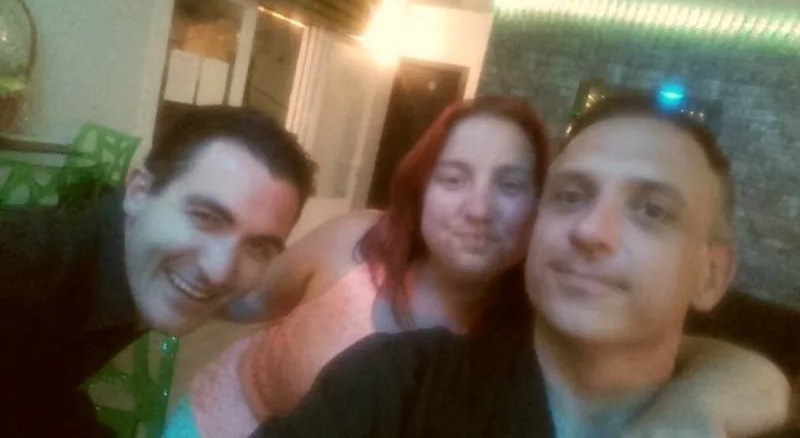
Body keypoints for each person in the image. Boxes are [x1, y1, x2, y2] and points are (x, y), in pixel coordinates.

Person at [169, 96, 789, 438]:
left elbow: (743, 363)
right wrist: (166, 276)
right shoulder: (393, 356)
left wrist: (690, 415)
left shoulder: (526, 317)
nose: (478, 209)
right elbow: (246, 296)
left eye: (652, 210)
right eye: (573, 196)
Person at [0, 106, 316, 437]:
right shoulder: (20, 278)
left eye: (259, 247)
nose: (219, 271)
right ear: (138, 193)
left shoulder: (131, 270)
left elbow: (34, 392)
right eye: (205, 217)